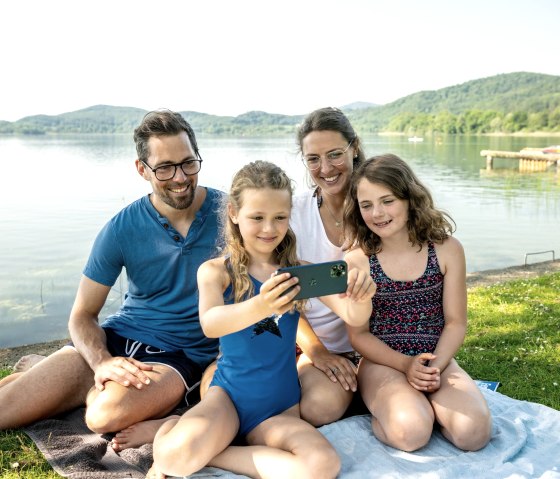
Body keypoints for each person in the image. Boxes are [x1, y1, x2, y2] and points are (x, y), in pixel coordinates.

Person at [0, 109, 222, 437]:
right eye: (164, 168)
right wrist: (101, 361)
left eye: (188, 163)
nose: (180, 177)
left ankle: (72, 385)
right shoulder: (120, 228)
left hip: (178, 357)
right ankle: (76, 378)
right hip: (116, 339)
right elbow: (82, 315)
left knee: (104, 415)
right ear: (141, 169)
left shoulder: (231, 216)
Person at [147, 160, 375, 479]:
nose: (269, 229)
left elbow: (353, 314)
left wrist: (361, 295)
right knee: (172, 459)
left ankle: (216, 454)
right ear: (233, 213)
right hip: (228, 397)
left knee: (323, 465)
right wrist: (263, 303)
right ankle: (172, 429)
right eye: (257, 217)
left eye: (279, 217)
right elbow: (211, 323)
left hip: (279, 409)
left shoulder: (301, 272)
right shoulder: (215, 272)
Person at [343, 153, 492, 452]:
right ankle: (392, 412)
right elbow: (358, 335)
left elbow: (455, 322)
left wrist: (431, 366)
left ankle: (430, 408)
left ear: (410, 198)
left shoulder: (447, 249)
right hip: (382, 362)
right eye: (366, 205)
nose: (377, 213)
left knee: (473, 433)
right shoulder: (357, 260)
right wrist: (405, 365)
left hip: (435, 357)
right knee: (411, 433)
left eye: (388, 201)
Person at [290, 106, 367, 426]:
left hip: (375, 346)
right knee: (319, 408)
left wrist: (308, 274)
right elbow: (280, 294)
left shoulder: (378, 207)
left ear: (355, 148)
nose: (325, 168)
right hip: (311, 344)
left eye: (335, 154)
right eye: (313, 159)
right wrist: (318, 352)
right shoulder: (293, 213)